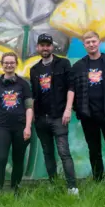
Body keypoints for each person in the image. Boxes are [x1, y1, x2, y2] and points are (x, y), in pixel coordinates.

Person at [70, 31, 105, 192]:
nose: (91, 44)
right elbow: (72, 89)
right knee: (94, 150)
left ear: (99, 42)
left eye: (93, 41)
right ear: (84, 45)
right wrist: (78, 109)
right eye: (87, 42)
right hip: (89, 116)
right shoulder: (79, 66)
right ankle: (98, 180)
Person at [29, 33, 79, 195]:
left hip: (59, 116)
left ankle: (72, 187)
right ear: (38, 47)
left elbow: (71, 87)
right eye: (42, 45)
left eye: (47, 45)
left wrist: (68, 109)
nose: (45, 48)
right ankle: (54, 184)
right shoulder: (34, 70)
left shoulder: (63, 64)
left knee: (64, 152)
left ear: (52, 47)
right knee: (48, 153)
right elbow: (34, 95)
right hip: (41, 118)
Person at [0, 52, 32, 195]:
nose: (9, 65)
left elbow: (29, 107)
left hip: (20, 127)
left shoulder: (23, 84)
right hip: (2, 127)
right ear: (2, 64)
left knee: (18, 160)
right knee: (1, 158)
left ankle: (16, 189)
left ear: (16, 64)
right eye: (6, 63)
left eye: (12, 62)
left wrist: (28, 127)